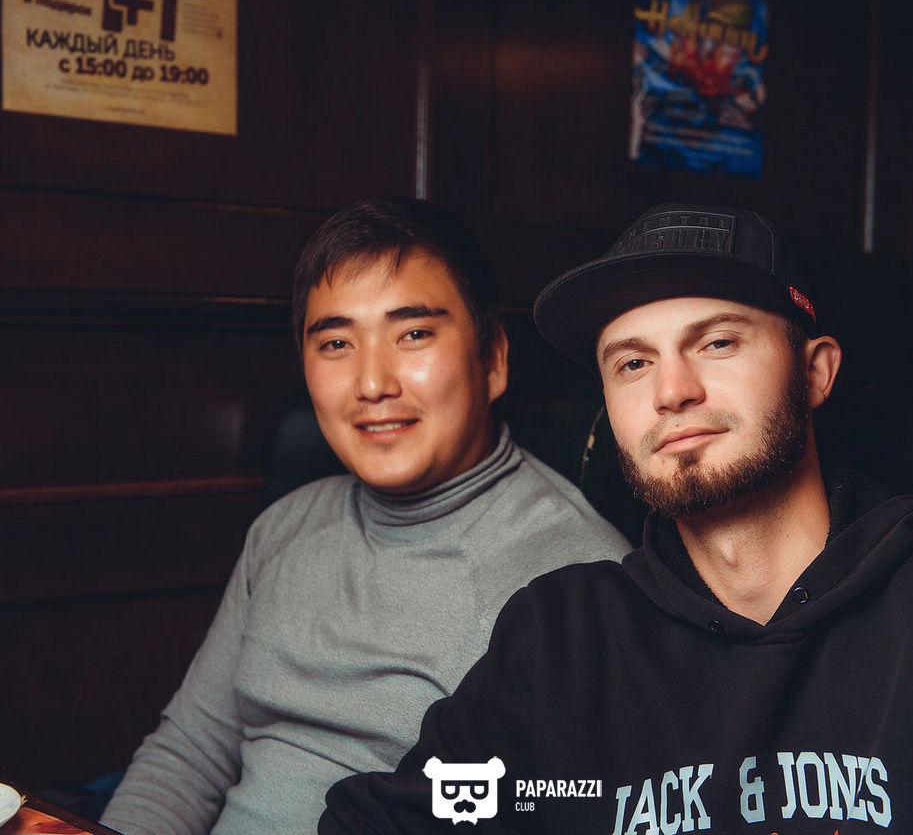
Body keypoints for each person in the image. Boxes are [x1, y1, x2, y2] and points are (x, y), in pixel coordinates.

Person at [320, 203, 913, 833]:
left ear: (815, 371)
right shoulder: (558, 638)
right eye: (632, 362)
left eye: (717, 342)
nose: (671, 390)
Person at [99, 198, 630, 835]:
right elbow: (189, 755)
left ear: (493, 359)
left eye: (414, 334)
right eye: (336, 343)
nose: (372, 383)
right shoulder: (285, 526)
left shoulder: (581, 584)